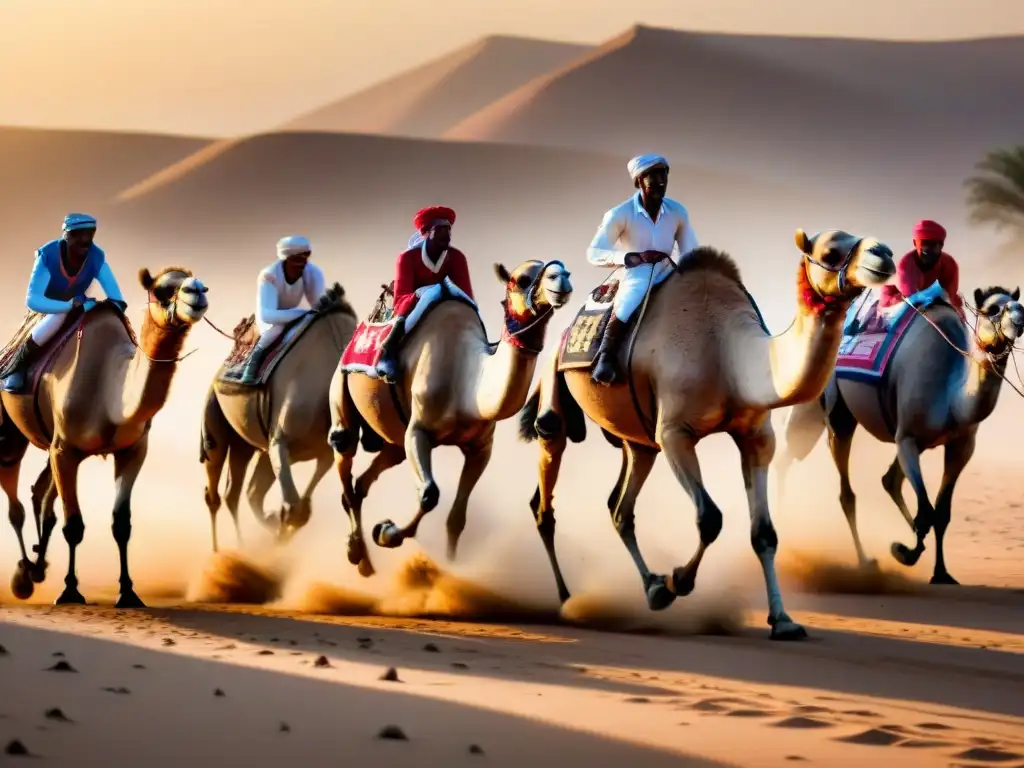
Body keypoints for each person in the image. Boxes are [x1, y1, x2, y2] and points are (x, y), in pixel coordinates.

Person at [586, 153, 699, 385]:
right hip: (636, 272)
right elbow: (594, 252)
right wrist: (630, 257)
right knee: (629, 301)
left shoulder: (678, 212)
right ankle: (605, 357)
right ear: (638, 182)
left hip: (669, 269)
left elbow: (690, 251)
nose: (659, 182)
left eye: (663, 175)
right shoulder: (620, 214)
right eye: (652, 176)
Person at [2, 213, 126, 393]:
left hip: (82, 305)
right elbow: (33, 300)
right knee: (59, 316)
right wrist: (68, 306)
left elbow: (116, 297)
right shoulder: (48, 256)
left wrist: (111, 306)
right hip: (49, 309)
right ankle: (18, 366)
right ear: (66, 235)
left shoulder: (96, 256)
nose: (85, 240)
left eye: (89, 234)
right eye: (77, 234)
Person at [374, 206, 474, 383]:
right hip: (415, 307)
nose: (447, 234)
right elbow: (400, 300)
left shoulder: (457, 258)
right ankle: (387, 351)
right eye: (440, 229)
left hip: (449, 304)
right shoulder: (407, 258)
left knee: (471, 310)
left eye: (448, 229)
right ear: (426, 232)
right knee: (429, 295)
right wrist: (425, 293)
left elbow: (466, 295)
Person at [239, 235, 326, 385]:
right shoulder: (269, 276)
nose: (302, 264)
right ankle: (250, 367)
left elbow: (318, 304)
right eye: (297, 259)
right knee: (276, 330)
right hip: (271, 318)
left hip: (297, 313)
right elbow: (267, 315)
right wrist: (301, 313)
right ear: (287, 258)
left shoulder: (313, 273)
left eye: (305, 258)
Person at [878, 219, 963, 315]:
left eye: (937, 245)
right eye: (926, 244)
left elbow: (951, 295)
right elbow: (913, 301)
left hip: (928, 300)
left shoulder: (949, 263)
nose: (931, 250)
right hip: (895, 303)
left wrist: (956, 309)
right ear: (915, 243)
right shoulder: (905, 268)